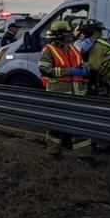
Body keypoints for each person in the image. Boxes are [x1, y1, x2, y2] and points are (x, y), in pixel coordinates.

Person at [38, 20, 91, 156]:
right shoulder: (49, 50)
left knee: (80, 125)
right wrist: (68, 71)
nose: (71, 36)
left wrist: (85, 70)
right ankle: (53, 153)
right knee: (56, 126)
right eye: (68, 34)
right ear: (60, 36)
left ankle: (83, 155)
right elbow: (45, 70)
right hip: (59, 95)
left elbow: (81, 64)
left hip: (78, 94)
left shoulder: (73, 48)